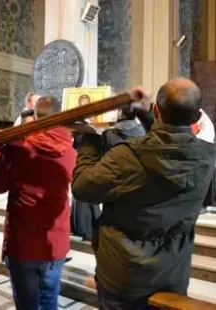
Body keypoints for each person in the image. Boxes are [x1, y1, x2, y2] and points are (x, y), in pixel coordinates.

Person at [71, 78, 216, 309]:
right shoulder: (208, 156)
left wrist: (90, 139)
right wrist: (144, 114)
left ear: (156, 109)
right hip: (172, 272)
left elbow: (82, 187)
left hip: (125, 275)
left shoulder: (127, 157)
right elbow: (166, 143)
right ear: (198, 117)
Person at [0, 96, 77, 310]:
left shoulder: (19, 146)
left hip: (22, 243)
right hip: (54, 242)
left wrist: (1, 151)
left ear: (34, 116)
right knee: (49, 302)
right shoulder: (71, 150)